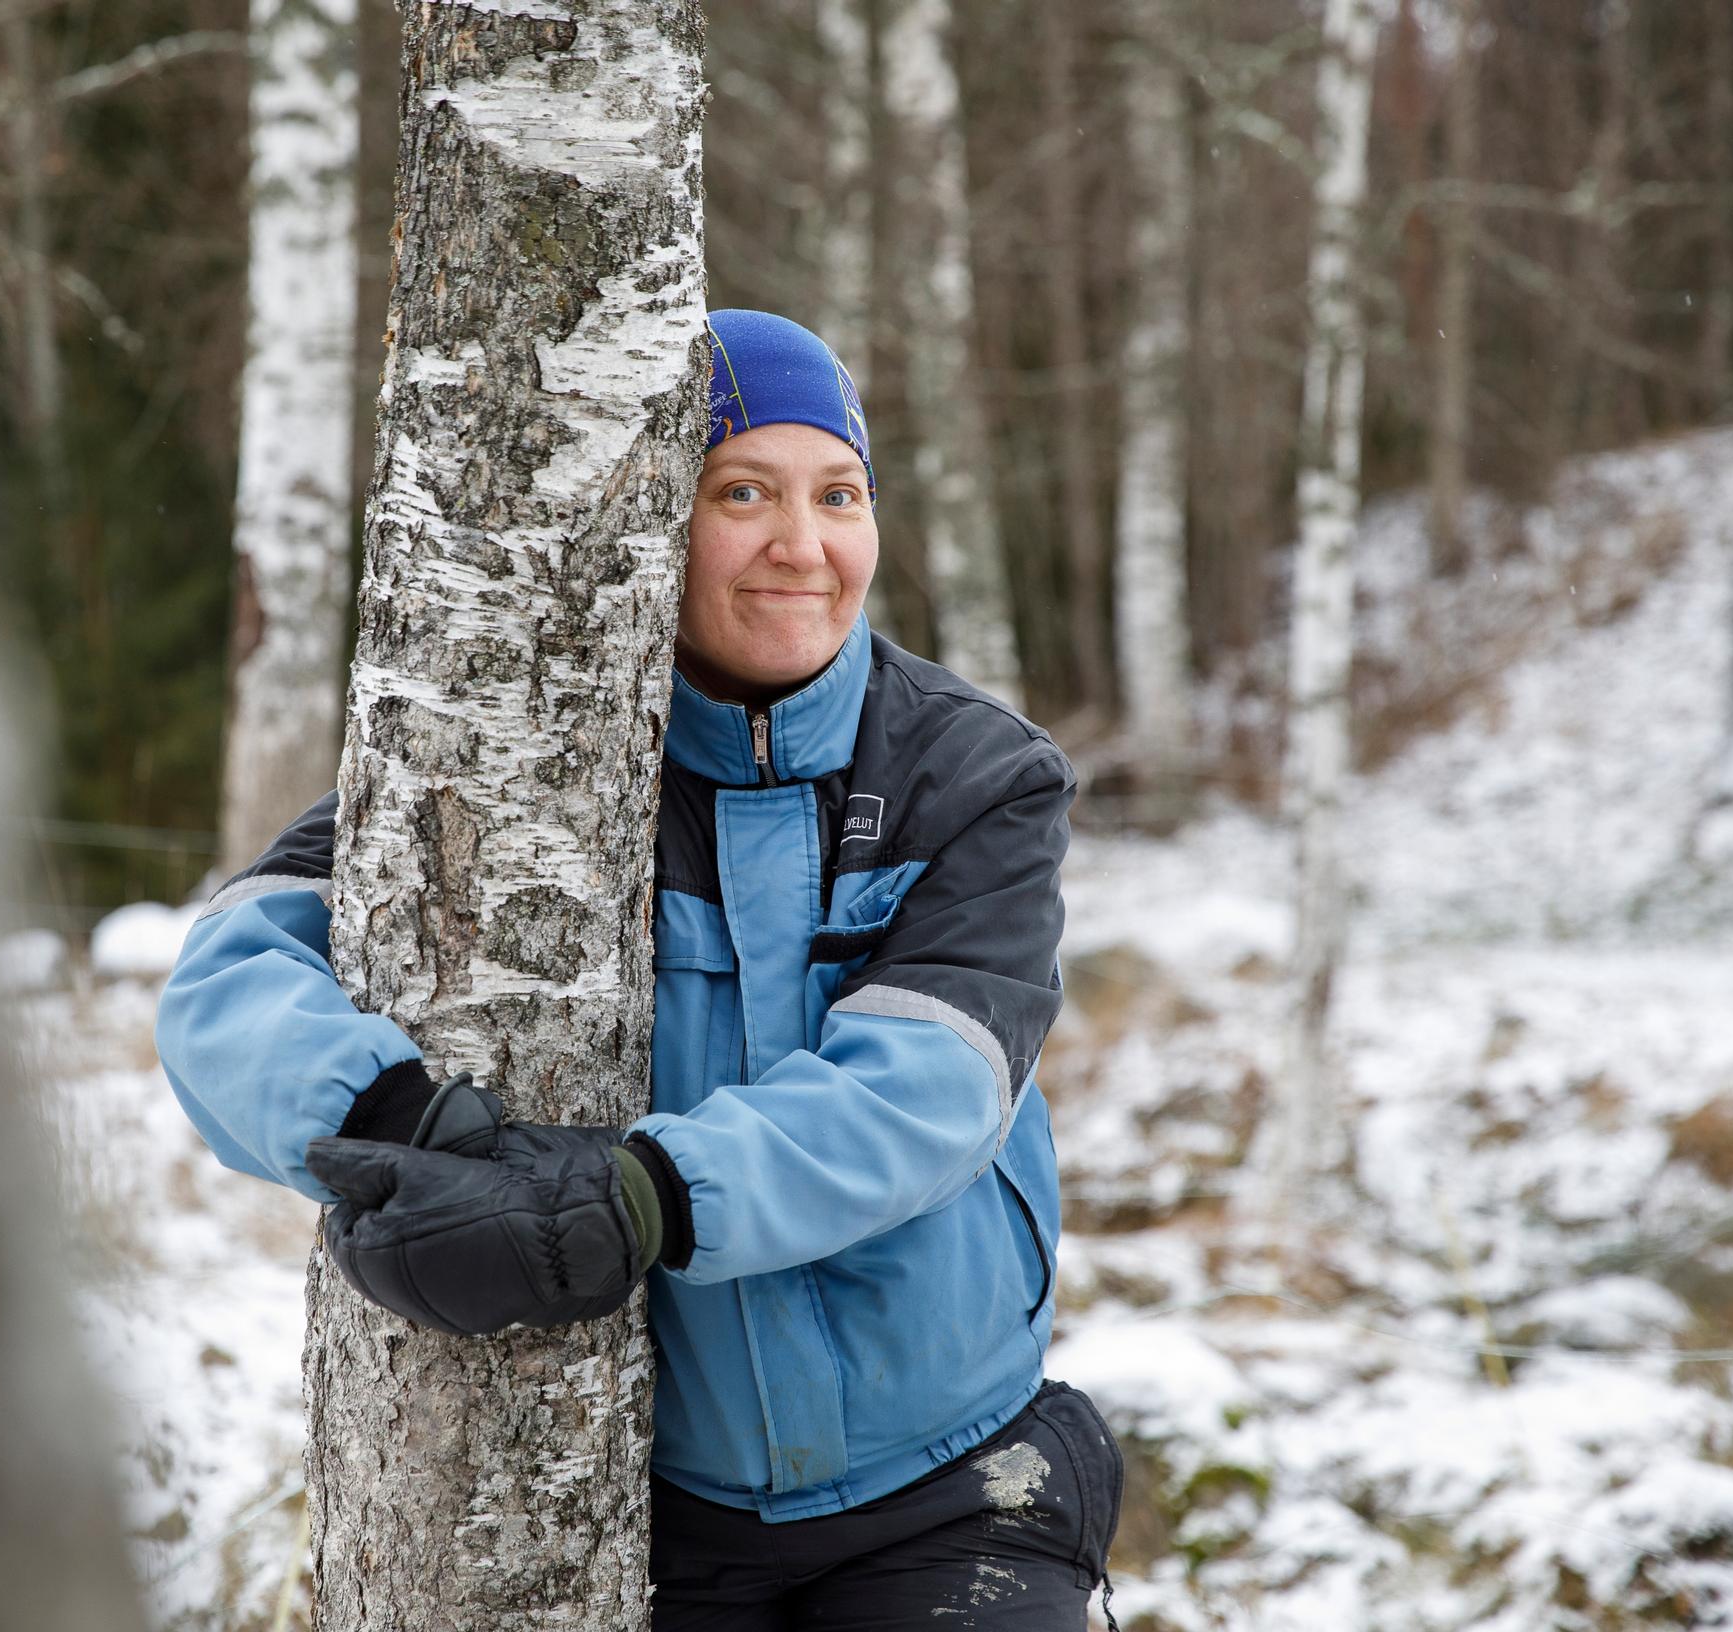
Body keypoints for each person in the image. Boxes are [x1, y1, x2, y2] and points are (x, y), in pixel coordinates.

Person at [156, 309, 1124, 1629]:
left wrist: (643, 1198)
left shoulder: (971, 774)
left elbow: (926, 1090)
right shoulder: (521, 758)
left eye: (838, 494)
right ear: (656, 515)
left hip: (956, 1483)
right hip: (664, 1516)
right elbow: (227, 971)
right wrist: (398, 1125)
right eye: (744, 493)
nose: (804, 543)